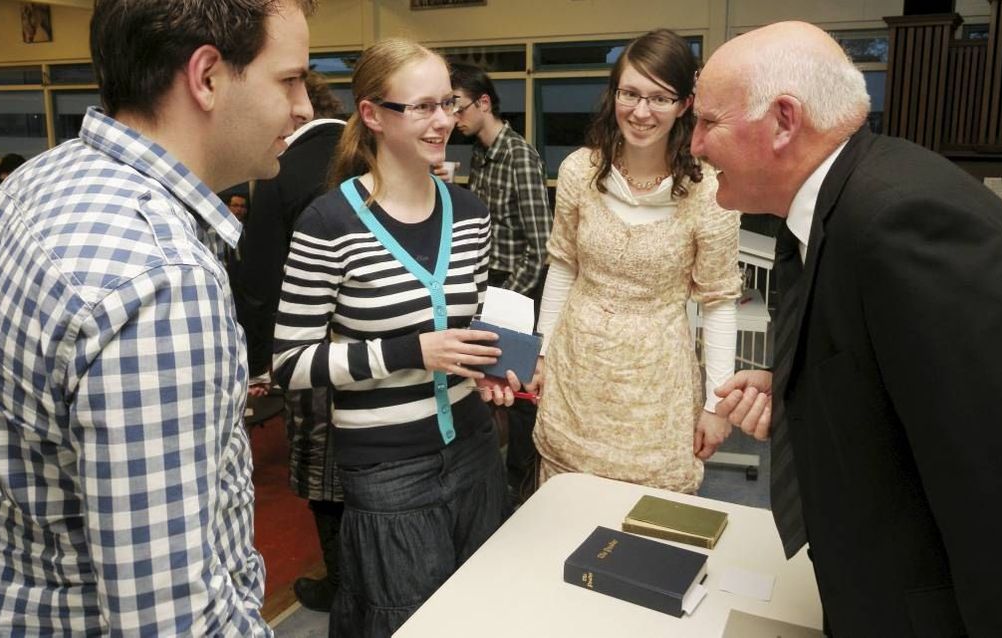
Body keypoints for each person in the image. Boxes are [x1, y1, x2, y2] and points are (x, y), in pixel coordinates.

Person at [0, 0, 315, 634]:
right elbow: (168, 620)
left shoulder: (35, 181)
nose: (305, 107)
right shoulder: (162, 283)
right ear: (207, 77)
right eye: (290, 79)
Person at [693, 21, 1002, 637]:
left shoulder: (904, 223)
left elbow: (990, 479)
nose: (696, 146)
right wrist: (795, 382)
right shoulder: (826, 209)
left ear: (784, 121)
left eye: (709, 122)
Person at [270, 39, 516, 637]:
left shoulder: (472, 213)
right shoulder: (329, 223)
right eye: (423, 106)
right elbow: (290, 363)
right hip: (388, 473)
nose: (443, 121)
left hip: (476, 455)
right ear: (373, 115)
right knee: (404, 622)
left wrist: (485, 368)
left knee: (481, 611)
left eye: (448, 104)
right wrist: (413, 351)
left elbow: (469, 325)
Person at [530, 28, 740, 494]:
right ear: (614, 94)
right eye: (630, 93)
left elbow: (720, 301)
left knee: (650, 511)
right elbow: (564, 266)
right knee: (564, 502)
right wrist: (541, 352)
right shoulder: (579, 171)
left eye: (660, 98)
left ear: (686, 104)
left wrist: (715, 404)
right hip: (576, 369)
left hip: (656, 381)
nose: (641, 112)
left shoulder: (711, 190)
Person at [237, 71, 348, 612]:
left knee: (322, 470)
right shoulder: (370, 150)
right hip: (390, 348)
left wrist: (259, 368)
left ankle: (341, 583)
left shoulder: (282, 171)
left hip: (312, 349)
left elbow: (259, 281)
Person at [449, 62, 552, 504]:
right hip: (490, 287)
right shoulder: (482, 155)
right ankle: (494, 483)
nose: (452, 119)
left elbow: (542, 244)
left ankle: (524, 491)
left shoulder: (519, 156)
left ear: (484, 103)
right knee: (489, 391)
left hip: (518, 292)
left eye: (457, 106)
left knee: (521, 392)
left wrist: (505, 299)